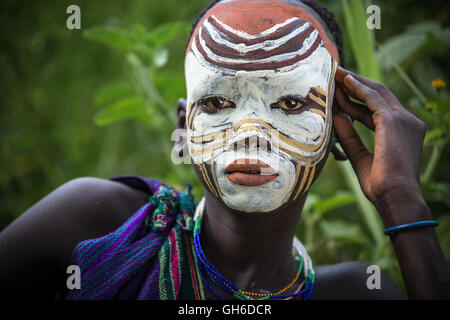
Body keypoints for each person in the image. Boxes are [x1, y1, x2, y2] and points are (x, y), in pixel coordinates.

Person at [0, 0, 449, 300]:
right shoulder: (97, 226)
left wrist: (401, 198)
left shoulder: (356, 292)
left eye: (290, 102)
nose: (250, 133)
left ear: (335, 128)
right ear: (183, 128)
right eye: (216, 102)